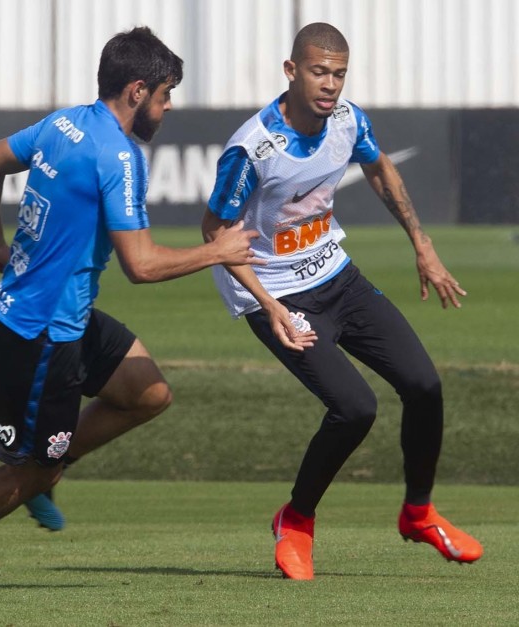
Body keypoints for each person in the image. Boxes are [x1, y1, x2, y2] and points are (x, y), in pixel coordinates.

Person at [0, 26, 261, 591]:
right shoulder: (120, 157)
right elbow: (142, 265)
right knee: (29, 472)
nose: (169, 105)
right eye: (165, 93)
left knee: (148, 393)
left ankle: (51, 462)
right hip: (40, 335)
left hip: (67, 316)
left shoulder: (64, 122)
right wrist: (218, 251)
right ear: (137, 91)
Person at [201, 22, 482, 580]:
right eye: (318, 71)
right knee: (356, 408)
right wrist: (269, 306)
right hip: (274, 293)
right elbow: (215, 231)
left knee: (424, 385)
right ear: (291, 71)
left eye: (338, 73)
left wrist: (422, 247)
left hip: (337, 275)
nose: (330, 84)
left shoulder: (349, 119)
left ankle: (418, 513)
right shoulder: (253, 148)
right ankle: (296, 520)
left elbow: (378, 167)